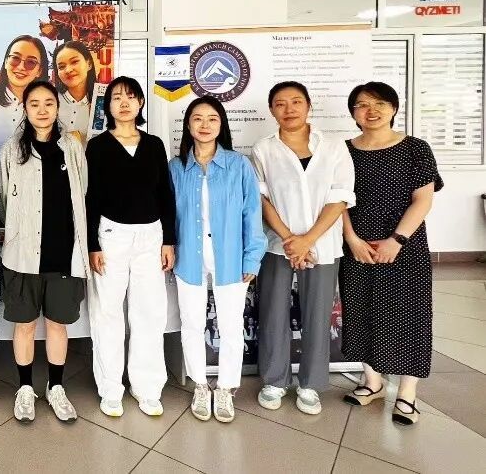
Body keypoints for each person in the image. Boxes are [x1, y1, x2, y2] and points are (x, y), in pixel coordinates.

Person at [339, 82, 443, 426]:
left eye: (380, 103)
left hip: (405, 246)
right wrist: (352, 238)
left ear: (394, 108)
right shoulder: (344, 151)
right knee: (361, 310)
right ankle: (372, 381)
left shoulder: (415, 148)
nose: (371, 111)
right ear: (353, 112)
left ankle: (407, 393)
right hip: (358, 247)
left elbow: (423, 200)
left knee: (410, 314)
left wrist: (396, 240)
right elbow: (337, 200)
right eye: (362, 105)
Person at [252, 81, 355, 417]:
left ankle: (310, 384)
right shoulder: (264, 149)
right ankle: (274, 381)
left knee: (317, 315)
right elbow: (261, 200)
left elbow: (340, 197)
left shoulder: (334, 146)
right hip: (277, 245)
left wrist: (307, 239)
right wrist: (289, 239)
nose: (289, 109)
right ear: (272, 110)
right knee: (273, 314)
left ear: (309, 106)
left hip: (322, 244)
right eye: (280, 103)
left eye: (296, 101)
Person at [168, 96, 266, 424]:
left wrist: (252, 259)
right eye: (198, 118)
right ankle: (200, 384)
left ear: (221, 125)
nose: (205, 125)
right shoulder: (176, 167)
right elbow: (169, 216)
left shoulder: (239, 165)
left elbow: (252, 213)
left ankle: (225, 388)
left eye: (212, 119)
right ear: (188, 125)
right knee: (192, 323)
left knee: (231, 325)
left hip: (231, 258)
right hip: (188, 257)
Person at [84, 77, 176, 418]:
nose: (124, 103)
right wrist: (92, 244)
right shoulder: (98, 147)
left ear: (140, 104)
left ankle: (147, 387)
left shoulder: (154, 145)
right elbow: (91, 198)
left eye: (131, 97)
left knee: (149, 312)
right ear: (107, 106)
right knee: (107, 312)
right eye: (117, 98)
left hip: (151, 236)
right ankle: (110, 388)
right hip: (111, 235)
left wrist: (168, 240)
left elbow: (165, 194)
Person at [0, 81, 90, 424]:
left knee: (57, 325)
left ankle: (56, 387)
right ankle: (25, 388)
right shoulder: (11, 149)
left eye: (48, 103)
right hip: (21, 255)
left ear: (57, 107)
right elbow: (4, 199)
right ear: (24, 108)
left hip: (63, 254)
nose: (41, 109)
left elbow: (83, 190)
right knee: (24, 326)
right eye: (34, 103)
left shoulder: (72, 147)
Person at [0, 35, 49, 158]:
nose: (21, 67)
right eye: (15, 58)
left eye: (31, 62)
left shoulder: (45, 109)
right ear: (6, 62)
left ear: (39, 70)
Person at [52, 40, 97, 142]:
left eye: (74, 62)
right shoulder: (50, 100)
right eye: (61, 67)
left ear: (89, 64)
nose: (68, 70)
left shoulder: (102, 101)